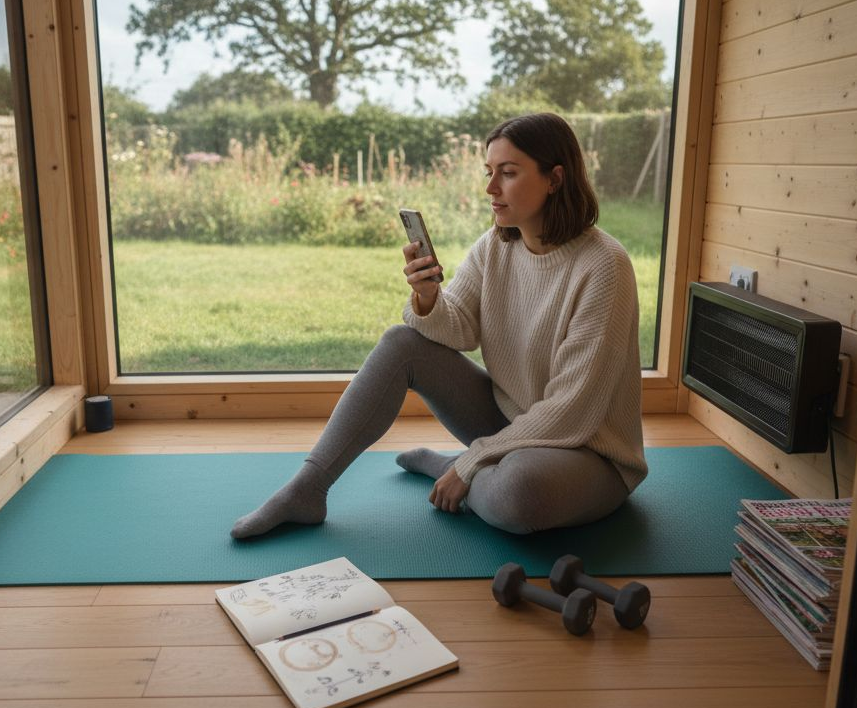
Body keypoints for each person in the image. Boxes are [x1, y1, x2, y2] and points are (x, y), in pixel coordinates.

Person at [230, 112, 647, 539]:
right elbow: (459, 329)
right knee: (402, 342)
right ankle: (307, 488)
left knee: (518, 492)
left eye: (507, 173)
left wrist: (470, 461)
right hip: (509, 423)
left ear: (555, 179)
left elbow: (572, 411)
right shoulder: (495, 246)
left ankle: (452, 466)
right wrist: (428, 297)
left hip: (586, 453)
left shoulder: (604, 266)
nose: (490, 188)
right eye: (489, 172)